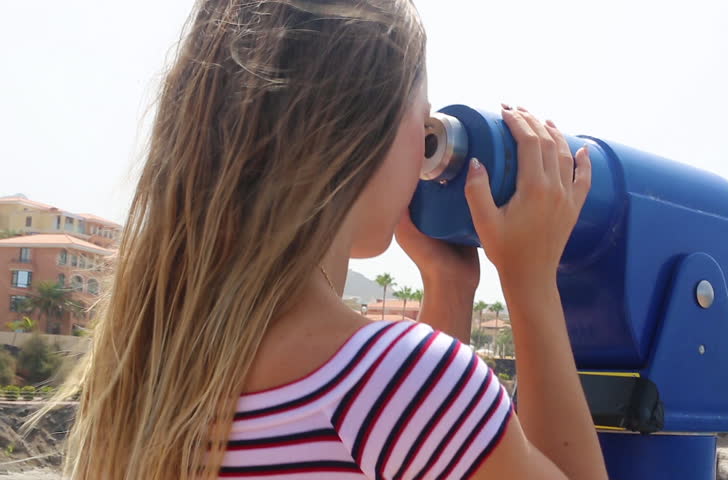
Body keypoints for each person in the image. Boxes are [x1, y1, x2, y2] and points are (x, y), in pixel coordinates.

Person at [28, 1, 607, 478]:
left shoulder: (144, 381)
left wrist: (448, 288)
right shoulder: (398, 382)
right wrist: (530, 285)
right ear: (360, 137)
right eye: (422, 126)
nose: (422, 156)